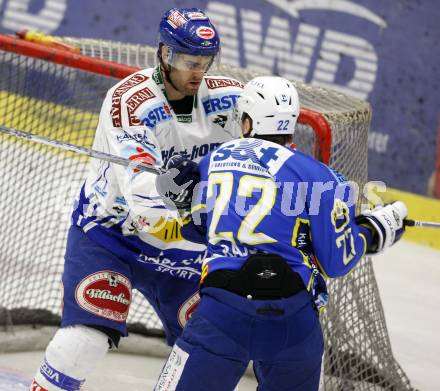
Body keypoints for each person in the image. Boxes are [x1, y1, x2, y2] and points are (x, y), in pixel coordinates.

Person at [30, 7, 244, 391]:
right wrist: (194, 207)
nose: (198, 72)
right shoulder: (130, 101)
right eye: (188, 61)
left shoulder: (230, 98)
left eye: (205, 62)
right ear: (165, 54)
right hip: (114, 236)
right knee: (84, 339)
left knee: (212, 351)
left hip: (187, 250)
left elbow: (269, 152)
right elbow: (143, 195)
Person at [154, 76, 408, 391]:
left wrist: (181, 200)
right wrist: (373, 231)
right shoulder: (323, 177)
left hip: (223, 312)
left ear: (247, 121)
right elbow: (337, 261)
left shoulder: (214, 160)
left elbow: (199, 230)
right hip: (293, 320)